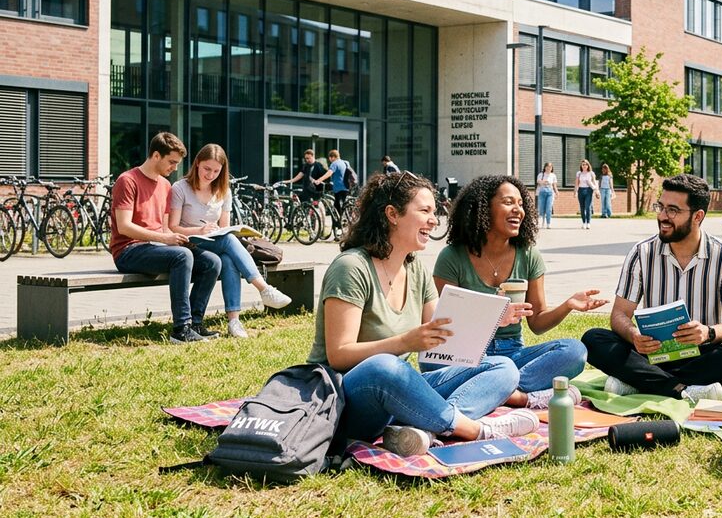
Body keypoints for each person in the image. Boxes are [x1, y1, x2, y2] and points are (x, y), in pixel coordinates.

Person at [308, 171, 538, 457]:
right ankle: (474, 430)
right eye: (425, 211)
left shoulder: (414, 269)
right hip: (346, 398)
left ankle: (424, 429)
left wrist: (492, 319)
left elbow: (441, 333)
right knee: (386, 366)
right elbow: (339, 354)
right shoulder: (351, 267)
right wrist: (404, 343)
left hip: (399, 395)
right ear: (392, 214)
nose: (434, 220)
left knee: (503, 368)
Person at [432, 175, 608, 409]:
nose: (518, 210)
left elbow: (537, 323)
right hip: (468, 355)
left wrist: (568, 305)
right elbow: (444, 329)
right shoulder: (452, 257)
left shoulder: (528, 255)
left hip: (512, 355)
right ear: (483, 208)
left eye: (521, 204)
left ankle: (496, 389)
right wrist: (491, 316)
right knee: (436, 368)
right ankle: (518, 396)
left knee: (574, 351)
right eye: (508, 202)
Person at [582, 174, 722, 402]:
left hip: (702, 355)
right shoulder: (642, 253)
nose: (663, 216)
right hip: (650, 354)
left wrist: (707, 332)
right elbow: (619, 314)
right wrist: (633, 334)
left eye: (673, 210)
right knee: (593, 339)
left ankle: (641, 383)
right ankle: (683, 390)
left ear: (698, 216)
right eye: (661, 207)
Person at [167, 144, 293, 338]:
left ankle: (234, 321)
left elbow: (224, 227)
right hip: (187, 242)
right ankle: (264, 289)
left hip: (213, 244)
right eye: (207, 169)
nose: (210, 175)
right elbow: (173, 227)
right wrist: (199, 230)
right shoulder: (180, 188)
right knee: (228, 243)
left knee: (228, 257)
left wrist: (225, 231)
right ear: (197, 164)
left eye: (216, 171)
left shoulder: (224, 191)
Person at [110, 132, 220, 344]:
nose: (175, 168)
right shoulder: (127, 180)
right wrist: (165, 239)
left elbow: (164, 226)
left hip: (155, 247)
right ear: (156, 156)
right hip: (128, 251)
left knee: (211, 262)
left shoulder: (165, 185)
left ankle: (195, 324)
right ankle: (181, 329)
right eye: (171, 162)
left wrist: (178, 237)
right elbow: (124, 227)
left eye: (178, 163)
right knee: (181, 256)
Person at [325, 149, 352, 237]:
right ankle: (345, 224)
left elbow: (329, 174)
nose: (330, 160)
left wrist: (319, 180)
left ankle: (340, 228)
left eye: (330, 158)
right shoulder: (345, 162)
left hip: (338, 189)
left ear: (332, 157)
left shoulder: (334, 163)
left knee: (337, 209)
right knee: (342, 206)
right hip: (346, 187)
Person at [576, 159, 598, 229]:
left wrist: (596, 190)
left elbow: (594, 182)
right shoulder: (579, 173)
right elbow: (576, 183)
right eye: (583, 165)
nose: (584, 166)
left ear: (588, 165)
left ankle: (588, 222)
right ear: (581, 166)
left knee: (588, 207)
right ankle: (583, 222)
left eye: (586, 164)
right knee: (582, 208)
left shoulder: (591, 173)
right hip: (581, 190)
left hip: (589, 190)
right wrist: (575, 192)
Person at [535, 162, 558, 228]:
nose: (548, 168)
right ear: (545, 167)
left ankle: (548, 223)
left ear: (552, 168)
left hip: (550, 192)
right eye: (547, 167)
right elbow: (538, 181)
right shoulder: (541, 174)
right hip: (542, 192)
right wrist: (544, 182)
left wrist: (557, 192)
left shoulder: (553, 175)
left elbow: (554, 185)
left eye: (550, 167)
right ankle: (542, 221)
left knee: (549, 208)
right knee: (541, 208)